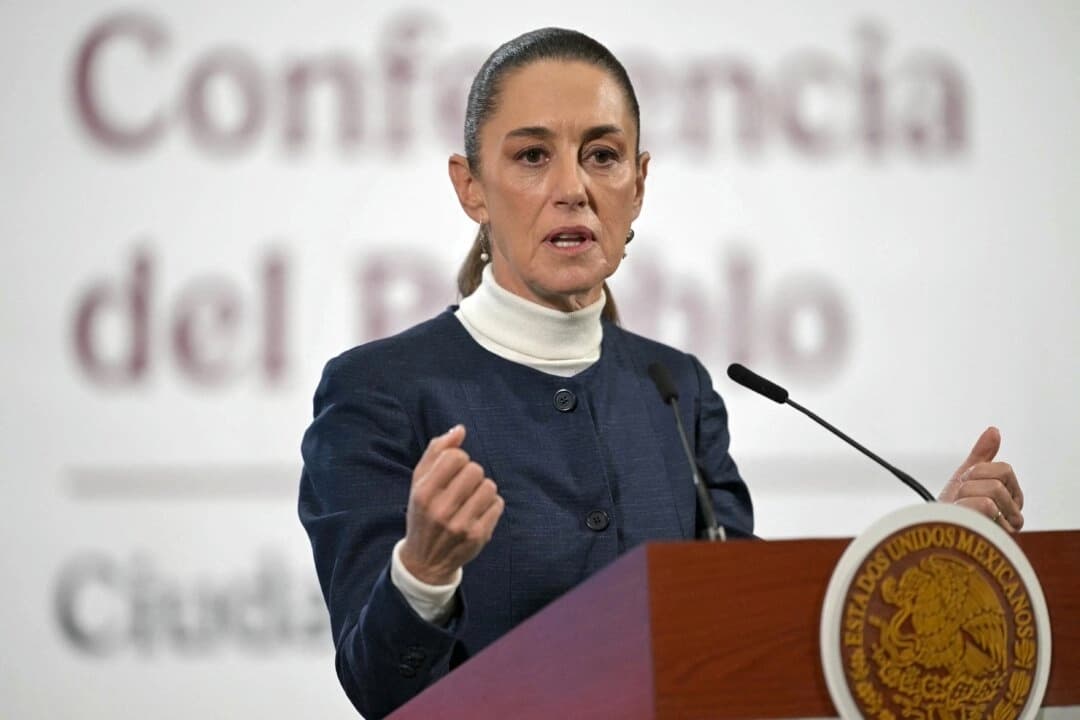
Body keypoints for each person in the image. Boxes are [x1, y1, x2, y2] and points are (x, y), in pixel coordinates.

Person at [298, 28, 1025, 719]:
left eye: (603, 155)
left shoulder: (676, 388)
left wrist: (932, 553)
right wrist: (423, 571)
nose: (573, 187)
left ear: (639, 185)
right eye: (530, 157)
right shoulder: (379, 393)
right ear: (472, 188)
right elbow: (375, 689)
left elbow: (754, 626)